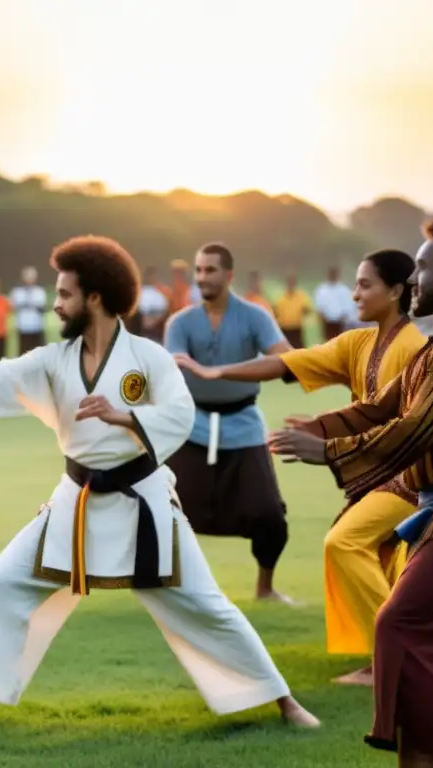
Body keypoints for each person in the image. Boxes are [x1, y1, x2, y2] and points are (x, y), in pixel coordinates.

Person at [0, 235, 319, 730]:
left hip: (143, 505)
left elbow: (179, 412)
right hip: (77, 502)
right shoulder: (55, 358)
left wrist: (125, 416)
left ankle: (285, 703)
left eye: (64, 294)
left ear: (94, 298)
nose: (56, 303)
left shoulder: (148, 358)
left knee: (204, 605)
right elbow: (4, 374)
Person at [269, 215, 433, 766]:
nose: (413, 277)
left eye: (421, 266)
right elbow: (380, 408)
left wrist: (330, 453)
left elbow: (415, 430)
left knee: (403, 625)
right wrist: (316, 431)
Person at [179, 250, 425, 685]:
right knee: (379, 555)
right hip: (376, 476)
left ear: (396, 291)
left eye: (365, 284)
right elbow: (287, 363)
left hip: (411, 477)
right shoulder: (357, 343)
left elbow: (399, 422)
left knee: (345, 543)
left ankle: (392, 661)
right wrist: (216, 374)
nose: (354, 294)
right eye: (355, 283)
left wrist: (326, 441)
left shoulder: (414, 349)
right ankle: (393, 657)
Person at [164, 243, 294, 602]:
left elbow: (286, 361)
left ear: (228, 275)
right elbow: (171, 363)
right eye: (199, 270)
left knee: (268, 513)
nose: (202, 277)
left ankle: (265, 589)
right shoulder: (181, 321)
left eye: (210, 270)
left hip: (243, 423)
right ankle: (171, 590)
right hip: (192, 425)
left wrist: (223, 371)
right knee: (165, 509)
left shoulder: (255, 316)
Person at [10, 266, 47, 354]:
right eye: (28, 277)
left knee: (39, 353)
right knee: (24, 352)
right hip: (23, 327)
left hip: (37, 327)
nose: (30, 280)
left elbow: (42, 308)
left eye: (32, 277)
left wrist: (28, 304)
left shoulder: (39, 291)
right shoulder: (17, 292)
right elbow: (15, 306)